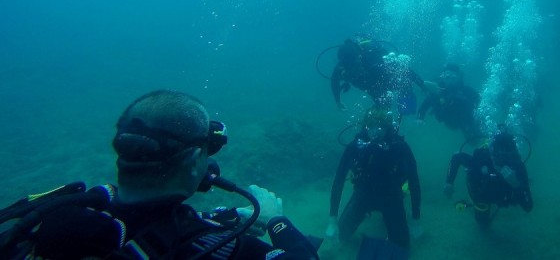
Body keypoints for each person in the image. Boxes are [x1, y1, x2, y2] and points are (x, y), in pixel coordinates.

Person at [0, 89, 320, 259]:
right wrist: (276, 220)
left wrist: (232, 216)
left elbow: (155, 221)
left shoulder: (63, 205)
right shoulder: (222, 249)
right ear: (197, 159)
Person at [327, 106, 422, 253]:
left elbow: (414, 180)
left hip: (391, 196)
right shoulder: (355, 147)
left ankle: (400, 200)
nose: (375, 132)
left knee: (402, 248)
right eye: (371, 127)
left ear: (388, 128)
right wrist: (332, 220)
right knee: (342, 238)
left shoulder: (399, 147)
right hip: (363, 195)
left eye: (381, 128)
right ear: (365, 126)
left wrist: (416, 219)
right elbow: (339, 180)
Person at [444, 126, 533, 228]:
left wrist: (517, 185)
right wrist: (449, 182)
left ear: (515, 154)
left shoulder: (518, 167)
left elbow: (528, 206)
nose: (505, 162)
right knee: (482, 224)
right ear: (492, 154)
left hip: (503, 197)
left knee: (483, 222)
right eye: (501, 156)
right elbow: (457, 157)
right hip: (483, 196)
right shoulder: (483, 159)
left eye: (509, 156)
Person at [330, 37, 425, 115]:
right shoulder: (342, 65)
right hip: (372, 88)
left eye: (355, 63)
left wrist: (422, 83)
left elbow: (401, 68)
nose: (354, 67)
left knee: (403, 87)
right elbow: (334, 81)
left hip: (384, 80)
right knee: (382, 111)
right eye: (349, 65)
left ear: (360, 55)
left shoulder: (373, 58)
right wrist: (337, 101)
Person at [417, 63, 481, 138]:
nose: (450, 80)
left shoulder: (466, 91)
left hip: (467, 122)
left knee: (475, 140)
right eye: (447, 77)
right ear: (442, 77)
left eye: (453, 77)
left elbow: (480, 100)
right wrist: (420, 118)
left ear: (458, 77)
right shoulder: (437, 91)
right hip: (449, 122)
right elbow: (424, 106)